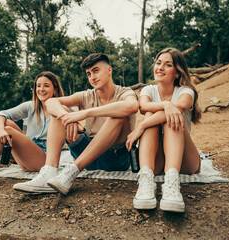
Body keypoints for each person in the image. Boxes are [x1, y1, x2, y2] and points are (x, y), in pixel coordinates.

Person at [13, 53, 139, 194]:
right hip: (89, 158)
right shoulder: (87, 95)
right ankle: (49, 171)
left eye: (96, 71)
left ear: (109, 70)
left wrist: (85, 113)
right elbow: (50, 102)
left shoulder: (125, 92)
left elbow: (132, 107)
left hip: (115, 158)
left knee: (118, 114)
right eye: (88, 74)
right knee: (59, 112)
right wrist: (67, 117)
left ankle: (72, 172)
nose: (92, 77)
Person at [126, 47, 202, 213]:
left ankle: (172, 185)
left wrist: (141, 126)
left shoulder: (186, 91)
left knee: (171, 118)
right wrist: (166, 104)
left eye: (167, 65)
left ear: (177, 72)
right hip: (157, 162)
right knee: (152, 114)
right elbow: (144, 106)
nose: (160, 67)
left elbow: (181, 106)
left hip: (185, 162)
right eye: (158, 63)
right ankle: (146, 180)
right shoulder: (148, 90)